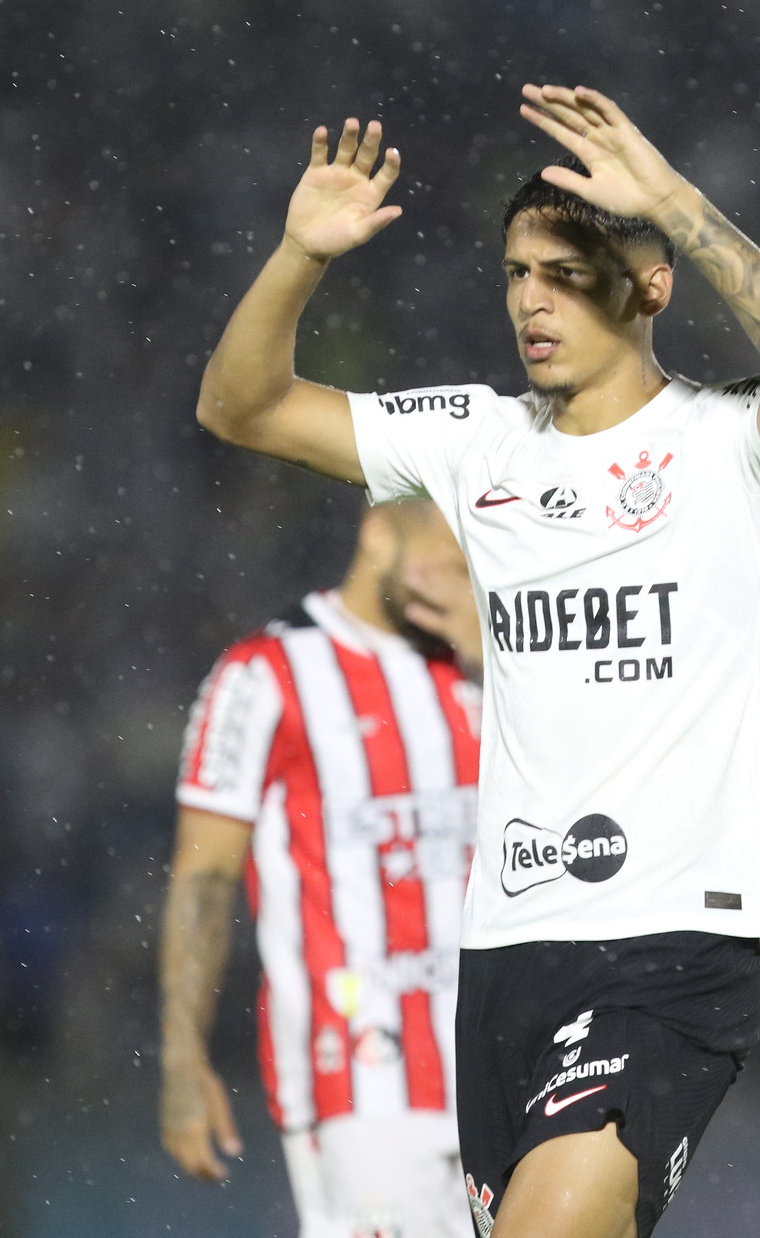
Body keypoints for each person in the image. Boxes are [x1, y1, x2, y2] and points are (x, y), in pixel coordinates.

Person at [194, 84, 760, 1238]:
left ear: (651, 288)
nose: (529, 301)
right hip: (505, 951)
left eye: (563, 273)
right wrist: (299, 256)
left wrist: (674, 204)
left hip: (671, 942)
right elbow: (240, 406)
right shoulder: (474, 438)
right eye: (516, 272)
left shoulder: (728, 447)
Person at [159, 499, 485, 1238]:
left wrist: (499, 664)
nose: (460, 578)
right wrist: (182, 1053)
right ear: (378, 532)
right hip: (362, 1072)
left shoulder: (495, 667)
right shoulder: (263, 675)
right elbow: (204, 877)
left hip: (509, 1065)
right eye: (448, 554)